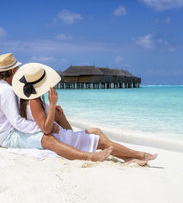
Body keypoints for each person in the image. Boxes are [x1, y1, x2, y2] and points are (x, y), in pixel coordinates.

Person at [12, 62, 158, 165]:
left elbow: (63, 128)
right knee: (101, 141)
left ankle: (128, 157)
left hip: (62, 135)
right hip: (61, 139)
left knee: (96, 131)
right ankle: (140, 155)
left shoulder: (31, 100)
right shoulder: (34, 101)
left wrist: (58, 115)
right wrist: (53, 106)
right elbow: (46, 129)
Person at [0, 53, 112, 162]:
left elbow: (14, 111)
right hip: (3, 136)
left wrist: (48, 109)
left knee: (56, 114)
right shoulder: (7, 91)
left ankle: (74, 142)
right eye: (17, 69)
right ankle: (89, 156)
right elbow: (16, 121)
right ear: (13, 71)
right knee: (47, 139)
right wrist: (44, 128)